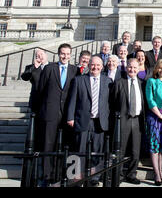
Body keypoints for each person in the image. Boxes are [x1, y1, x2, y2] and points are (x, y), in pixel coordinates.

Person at [67, 56, 113, 186]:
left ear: (102, 67)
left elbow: (110, 103)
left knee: (97, 151)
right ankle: (75, 177)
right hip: (83, 120)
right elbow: (72, 101)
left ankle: (94, 178)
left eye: (98, 65)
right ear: (89, 65)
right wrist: (70, 117)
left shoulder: (107, 81)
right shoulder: (79, 80)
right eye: (93, 65)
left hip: (100, 122)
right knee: (78, 150)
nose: (95, 67)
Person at [37, 43, 77, 185]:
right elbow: (40, 90)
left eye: (67, 54)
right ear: (58, 54)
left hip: (67, 114)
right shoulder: (49, 68)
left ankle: (63, 174)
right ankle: (47, 176)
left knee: (67, 144)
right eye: (62, 53)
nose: (65, 56)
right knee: (48, 144)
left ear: (71, 55)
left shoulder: (74, 70)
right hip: (50, 112)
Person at [110, 58, 146, 185]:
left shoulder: (142, 83)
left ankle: (131, 174)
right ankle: (118, 175)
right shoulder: (119, 82)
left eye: (135, 68)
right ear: (126, 68)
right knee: (120, 150)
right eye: (130, 67)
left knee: (135, 151)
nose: (132, 69)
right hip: (123, 121)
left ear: (138, 69)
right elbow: (113, 102)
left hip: (137, 120)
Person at [21, 48, 49, 113]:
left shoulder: (54, 66)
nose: (40, 57)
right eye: (37, 56)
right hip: (36, 100)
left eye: (41, 54)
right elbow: (25, 77)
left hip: (49, 100)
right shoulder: (30, 67)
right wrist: (34, 67)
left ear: (46, 55)